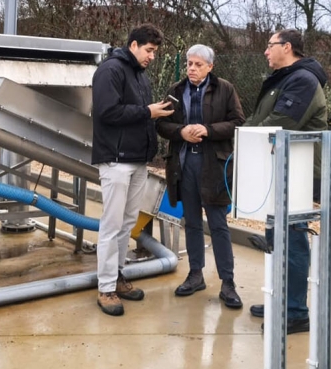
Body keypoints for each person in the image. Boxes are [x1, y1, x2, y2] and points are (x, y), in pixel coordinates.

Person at [246, 29, 328, 334]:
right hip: (278, 169)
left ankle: (295, 312)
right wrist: (244, 135)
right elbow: (261, 121)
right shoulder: (284, 79)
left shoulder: (303, 80)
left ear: (287, 47)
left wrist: (246, 137)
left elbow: (281, 122)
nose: (266, 51)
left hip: (297, 173)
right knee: (276, 237)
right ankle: (279, 300)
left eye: (270, 45)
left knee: (292, 241)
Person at [92, 24, 174, 316]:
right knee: (112, 225)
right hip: (116, 159)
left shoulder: (140, 75)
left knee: (127, 223)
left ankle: (117, 276)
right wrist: (148, 111)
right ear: (134, 45)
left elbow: (139, 115)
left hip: (137, 159)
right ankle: (105, 288)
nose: (152, 56)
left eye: (155, 52)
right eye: (149, 50)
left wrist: (153, 114)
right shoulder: (110, 70)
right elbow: (107, 111)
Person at [156, 44, 246, 309]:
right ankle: (196, 275)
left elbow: (238, 122)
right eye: (189, 64)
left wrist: (208, 130)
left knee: (218, 224)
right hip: (184, 164)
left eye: (198, 64)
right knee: (192, 221)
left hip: (214, 166)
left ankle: (227, 282)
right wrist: (181, 132)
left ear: (210, 67)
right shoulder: (175, 91)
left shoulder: (225, 89)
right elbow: (161, 123)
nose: (192, 69)